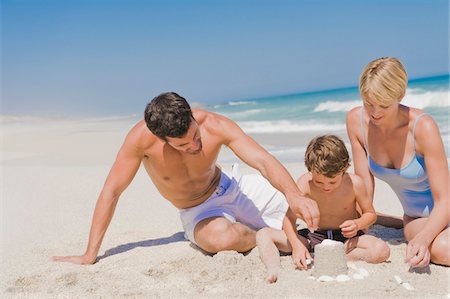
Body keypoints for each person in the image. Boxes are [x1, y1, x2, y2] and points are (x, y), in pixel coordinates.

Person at [53, 92, 319, 265]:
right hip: (199, 211)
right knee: (220, 241)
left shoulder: (215, 125)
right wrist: (90, 253)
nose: (194, 146)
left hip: (232, 187)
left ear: (193, 116)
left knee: (314, 198)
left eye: (195, 136)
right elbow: (111, 192)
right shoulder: (140, 142)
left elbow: (262, 160)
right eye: (183, 145)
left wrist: (293, 194)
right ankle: (268, 235)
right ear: (161, 139)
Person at [346, 57, 450, 268]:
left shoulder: (422, 127)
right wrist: (358, 224)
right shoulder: (356, 122)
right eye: (368, 103)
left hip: (445, 207)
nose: (374, 112)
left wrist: (424, 238)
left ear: (400, 95)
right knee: (442, 250)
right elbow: (363, 187)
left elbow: (445, 199)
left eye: (383, 104)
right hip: (416, 219)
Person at [256, 135, 390, 283]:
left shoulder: (355, 183)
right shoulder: (305, 182)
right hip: (314, 237)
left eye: (332, 182)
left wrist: (358, 224)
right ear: (310, 170)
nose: (326, 187)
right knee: (263, 234)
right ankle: (274, 268)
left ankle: (335, 259)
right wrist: (297, 246)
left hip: (348, 239)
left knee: (381, 251)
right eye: (318, 181)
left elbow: (370, 214)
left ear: (345, 168)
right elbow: (289, 219)